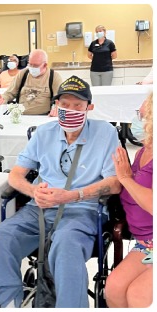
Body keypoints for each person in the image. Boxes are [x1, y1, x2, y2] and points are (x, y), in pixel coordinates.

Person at [0, 76, 122, 308]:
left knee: (66, 243)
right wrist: (32, 191)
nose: (70, 110)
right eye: (64, 105)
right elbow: (16, 174)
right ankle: (9, 302)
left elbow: (115, 183)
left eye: (78, 106)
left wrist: (73, 195)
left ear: (89, 107)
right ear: (55, 106)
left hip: (82, 210)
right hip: (40, 208)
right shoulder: (44, 133)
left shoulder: (105, 133)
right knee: (3, 235)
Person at [105, 93, 153, 308]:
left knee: (138, 295)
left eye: (142, 117)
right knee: (113, 287)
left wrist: (125, 178)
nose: (136, 122)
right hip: (146, 242)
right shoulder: (144, 151)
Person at [0, 49, 63, 115]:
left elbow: (59, 100)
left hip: (44, 117)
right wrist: (3, 98)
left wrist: (56, 109)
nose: (32, 67)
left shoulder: (54, 77)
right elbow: (10, 93)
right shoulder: (23, 74)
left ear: (45, 65)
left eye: (35, 65)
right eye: (30, 64)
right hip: (21, 116)